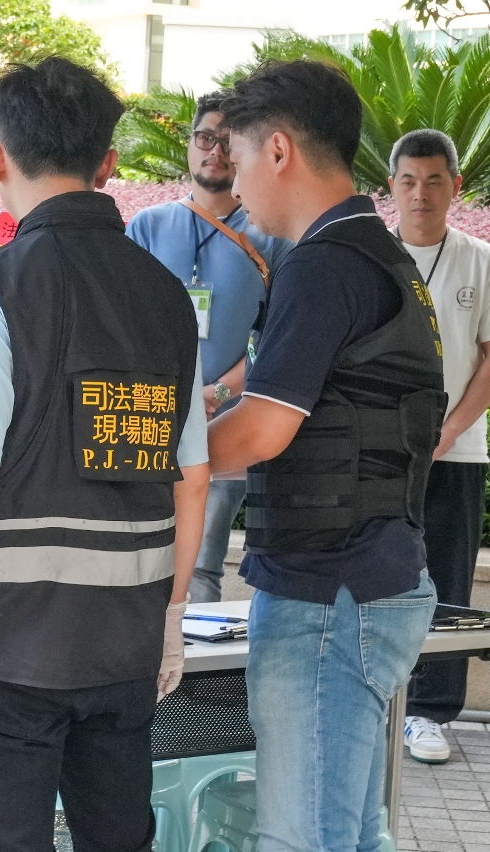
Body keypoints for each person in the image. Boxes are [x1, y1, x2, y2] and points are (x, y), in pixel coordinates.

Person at [0, 57, 210, 852]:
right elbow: (193, 478)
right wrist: (171, 617)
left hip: (9, 648)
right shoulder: (167, 297)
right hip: (127, 644)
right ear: (108, 164)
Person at [208, 61, 443, 852]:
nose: (235, 183)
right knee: (351, 833)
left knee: (305, 839)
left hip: (328, 595)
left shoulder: (323, 263)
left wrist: (155, 458)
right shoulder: (379, 254)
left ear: (278, 150)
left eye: (238, 157)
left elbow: (261, 432)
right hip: (373, 576)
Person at [126, 90, 292, 603]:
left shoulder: (269, 236)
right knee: (135, 560)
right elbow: (123, 325)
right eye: (204, 138)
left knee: (200, 569)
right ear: (188, 143)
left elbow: (277, 337)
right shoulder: (148, 227)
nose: (214, 151)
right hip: (150, 419)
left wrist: (217, 392)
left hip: (227, 424)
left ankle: (187, 655)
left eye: (226, 141)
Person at [387, 129, 490, 764]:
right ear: (391, 187)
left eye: (433, 181)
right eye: (408, 180)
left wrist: (449, 430)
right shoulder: (371, 256)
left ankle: (430, 712)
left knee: (447, 580)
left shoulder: (480, 260)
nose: (420, 194)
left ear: (456, 185)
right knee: (378, 572)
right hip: (381, 454)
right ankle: (379, 699)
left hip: (456, 450)